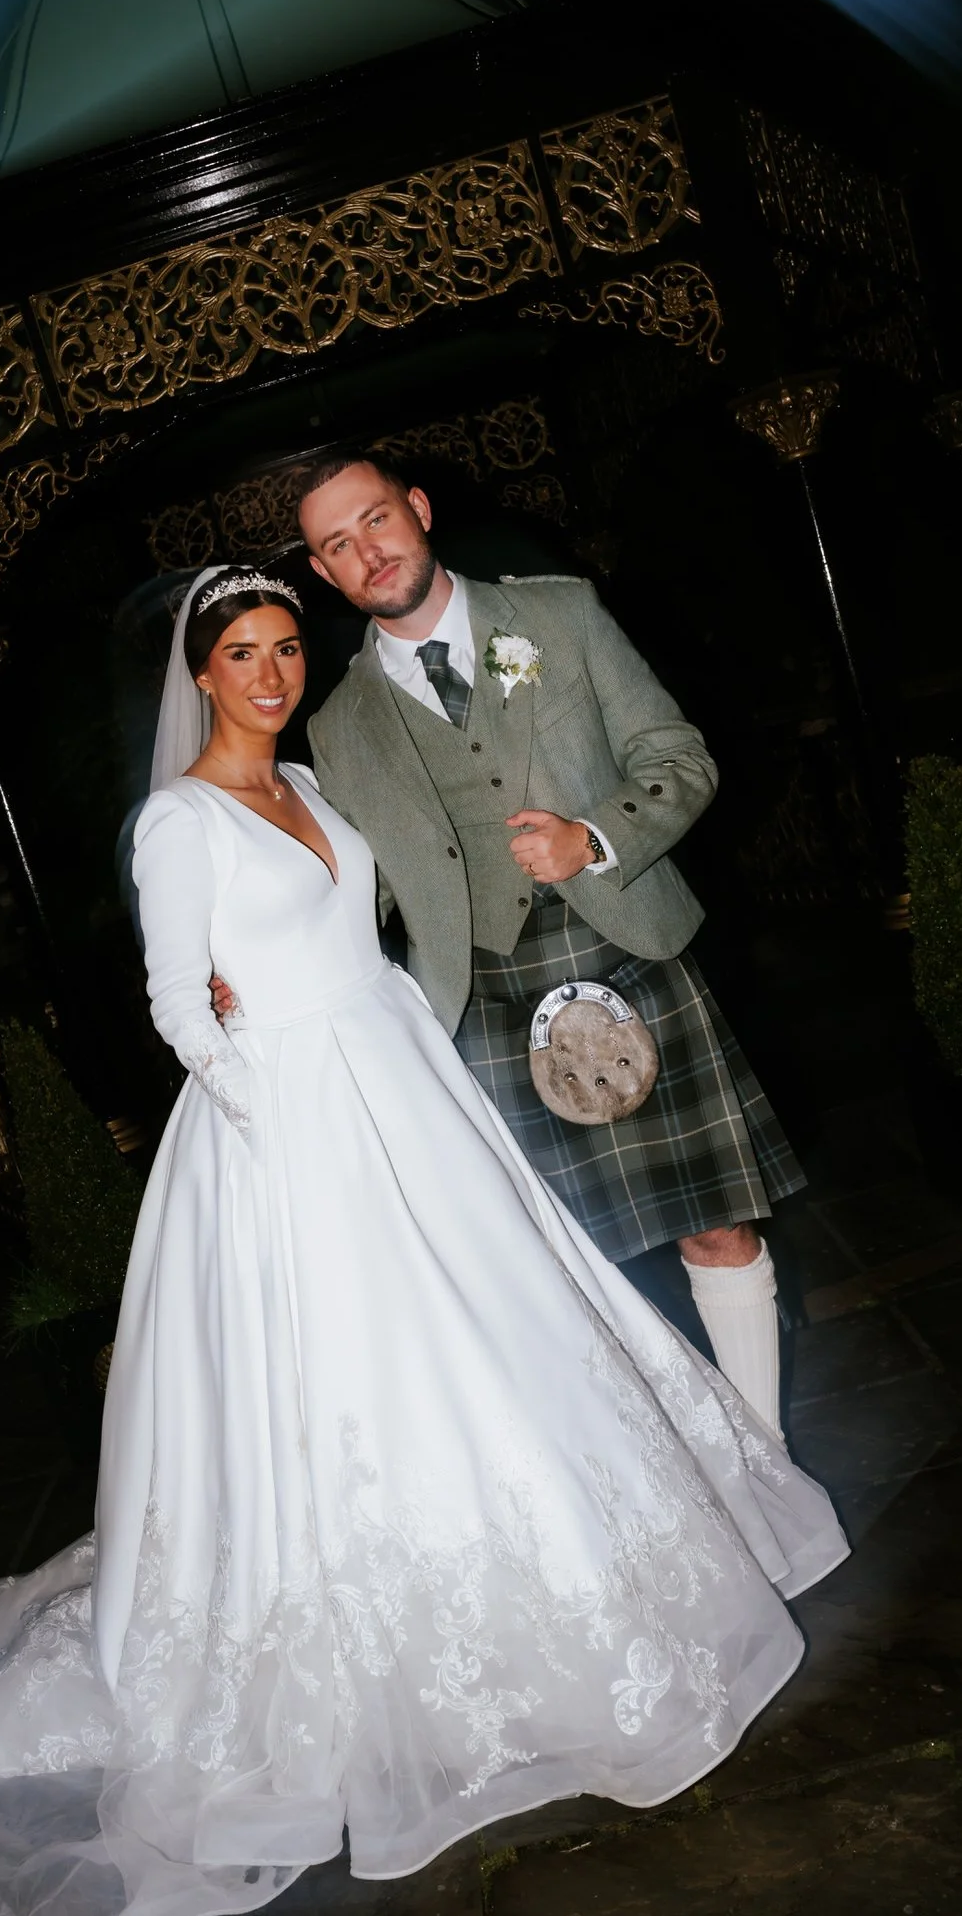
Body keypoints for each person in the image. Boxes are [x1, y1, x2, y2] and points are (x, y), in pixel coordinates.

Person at [0, 567, 847, 1916]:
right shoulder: (178, 821)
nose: (273, 672)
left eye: (288, 646)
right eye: (244, 652)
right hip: (289, 1130)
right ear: (202, 672)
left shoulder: (309, 783)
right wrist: (266, 1118)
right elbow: (178, 1004)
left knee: (499, 1336)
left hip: (401, 1076)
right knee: (358, 1373)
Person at [297, 453, 803, 1438]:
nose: (368, 552)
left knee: (714, 1222)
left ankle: (767, 1454)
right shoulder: (339, 724)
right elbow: (368, 892)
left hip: (627, 947)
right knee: (555, 1268)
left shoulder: (559, 614)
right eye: (338, 545)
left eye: (377, 519)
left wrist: (595, 836)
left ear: (418, 508)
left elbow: (678, 755)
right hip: (476, 999)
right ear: (324, 572)